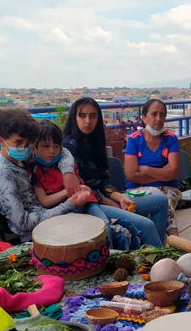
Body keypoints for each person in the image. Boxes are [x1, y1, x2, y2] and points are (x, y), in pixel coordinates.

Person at [35, 120, 163, 247]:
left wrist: (113, 198)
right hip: (70, 210)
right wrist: (74, 190)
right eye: (46, 146)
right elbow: (46, 201)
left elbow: (99, 185)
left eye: (55, 146)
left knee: (113, 226)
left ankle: (162, 263)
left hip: (91, 203)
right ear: (34, 148)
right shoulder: (41, 169)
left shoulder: (70, 161)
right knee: (104, 232)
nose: (52, 151)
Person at [62, 97, 169, 243]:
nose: (88, 121)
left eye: (93, 116)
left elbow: (105, 183)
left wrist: (121, 199)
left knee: (161, 201)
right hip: (90, 204)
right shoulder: (69, 146)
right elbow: (81, 189)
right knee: (147, 225)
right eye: (82, 115)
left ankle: (156, 252)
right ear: (74, 118)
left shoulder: (95, 142)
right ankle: (158, 259)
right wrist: (111, 203)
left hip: (105, 198)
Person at [0, 109, 83, 242]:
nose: (25, 147)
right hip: (37, 233)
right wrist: (68, 204)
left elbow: (63, 151)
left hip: (54, 214)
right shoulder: (2, 174)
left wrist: (68, 172)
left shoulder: (24, 155)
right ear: (1, 141)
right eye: (18, 143)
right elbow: (23, 222)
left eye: (28, 144)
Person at [124, 99, 181, 237]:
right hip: (137, 190)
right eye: (154, 114)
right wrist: (162, 172)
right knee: (159, 203)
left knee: (164, 201)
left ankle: (158, 246)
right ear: (144, 118)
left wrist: (144, 169)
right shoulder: (134, 139)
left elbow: (173, 173)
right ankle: (172, 242)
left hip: (168, 189)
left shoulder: (171, 139)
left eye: (162, 115)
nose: (158, 119)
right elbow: (131, 175)